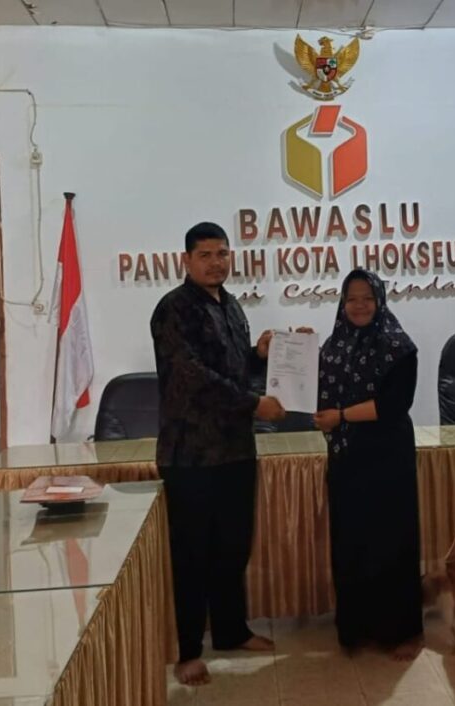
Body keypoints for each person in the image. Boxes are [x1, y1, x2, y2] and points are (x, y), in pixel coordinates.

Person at [150, 221, 286, 686]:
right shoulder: (173, 309)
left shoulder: (231, 306)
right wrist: (254, 404)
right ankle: (188, 650)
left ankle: (230, 630)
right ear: (186, 260)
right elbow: (192, 377)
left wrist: (258, 355)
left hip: (235, 449)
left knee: (232, 547)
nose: (216, 263)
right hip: (191, 456)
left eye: (222, 254)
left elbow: (230, 366)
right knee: (192, 554)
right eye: (205, 255)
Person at [313, 269, 424, 661]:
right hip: (347, 459)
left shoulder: (399, 347)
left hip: (386, 457)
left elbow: (394, 405)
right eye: (351, 299)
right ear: (342, 303)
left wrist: (341, 415)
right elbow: (312, 390)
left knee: (392, 543)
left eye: (367, 298)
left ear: (380, 301)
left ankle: (402, 631)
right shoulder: (332, 347)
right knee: (352, 542)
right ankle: (356, 629)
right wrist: (294, 350)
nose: (359, 306)